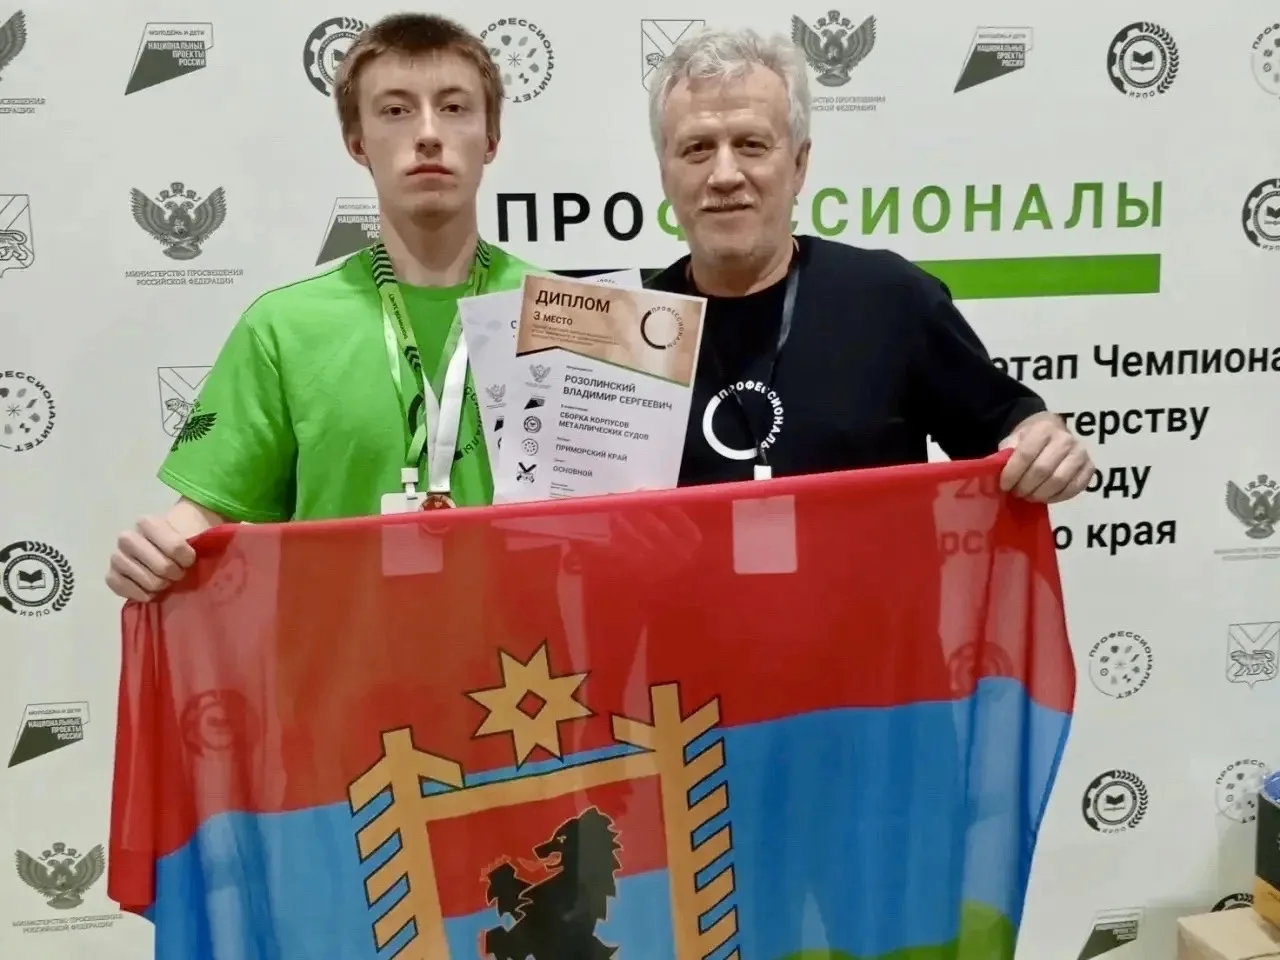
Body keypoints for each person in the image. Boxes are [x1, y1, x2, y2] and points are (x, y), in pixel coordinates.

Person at [105, 13, 538, 602]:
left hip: (527, 656)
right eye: (396, 110)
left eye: (455, 107)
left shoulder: (564, 315)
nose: (428, 132)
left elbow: (625, 510)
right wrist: (154, 552)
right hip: (341, 655)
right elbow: (202, 517)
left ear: (490, 139)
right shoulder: (284, 328)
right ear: (357, 143)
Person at [644, 27, 1094, 498]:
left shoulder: (891, 298)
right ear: (665, 175)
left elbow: (1010, 429)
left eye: (751, 144)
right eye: (696, 149)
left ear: (798, 164)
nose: (724, 175)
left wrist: (1046, 445)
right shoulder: (625, 335)